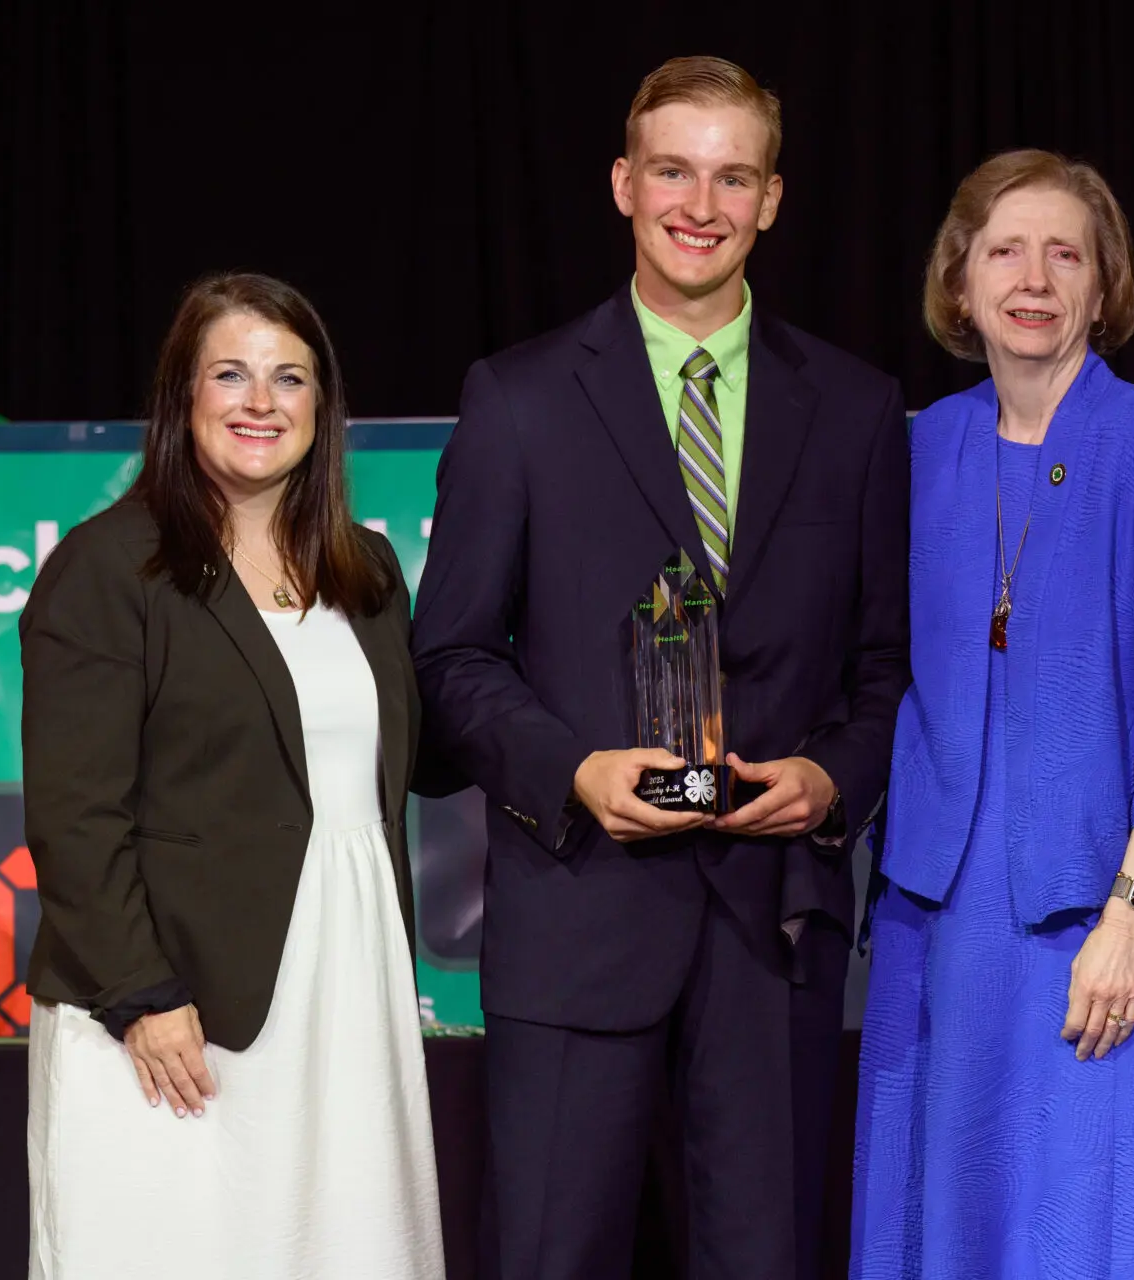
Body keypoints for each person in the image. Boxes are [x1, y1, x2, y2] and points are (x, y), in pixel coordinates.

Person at [411, 56, 908, 1280]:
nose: (703, 201)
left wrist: (831, 780)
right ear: (625, 184)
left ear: (773, 198)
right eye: (675, 170)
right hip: (578, 910)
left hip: (771, 924)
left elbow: (889, 664)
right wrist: (573, 769)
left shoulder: (853, 406)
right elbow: (455, 654)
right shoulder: (518, 398)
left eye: (732, 175)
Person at [852, 150, 1134, 1278]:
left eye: (1064, 252)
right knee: (955, 1221)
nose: (1034, 277)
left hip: (1101, 914)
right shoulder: (920, 447)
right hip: (943, 920)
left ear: (1101, 282)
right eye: (1005, 250)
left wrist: (1131, 912)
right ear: (961, 278)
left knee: (1099, 1222)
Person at [19, 273, 444, 1279]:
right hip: (174, 1015)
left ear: (321, 407)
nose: (262, 400)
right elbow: (77, 813)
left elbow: (404, 759)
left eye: (289, 376)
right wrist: (141, 992)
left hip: (345, 988)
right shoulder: (111, 567)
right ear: (184, 396)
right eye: (231, 373)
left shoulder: (368, 573)